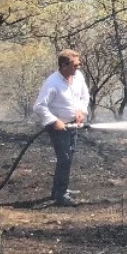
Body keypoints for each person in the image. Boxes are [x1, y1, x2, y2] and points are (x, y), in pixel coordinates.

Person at [32, 49, 90, 206]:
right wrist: (54, 121)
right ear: (64, 65)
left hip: (72, 124)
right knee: (64, 158)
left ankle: (58, 190)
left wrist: (81, 111)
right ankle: (61, 194)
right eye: (75, 65)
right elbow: (39, 107)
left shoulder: (78, 77)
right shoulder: (52, 83)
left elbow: (84, 97)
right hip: (58, 127)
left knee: (68, 157)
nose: (78, 67)